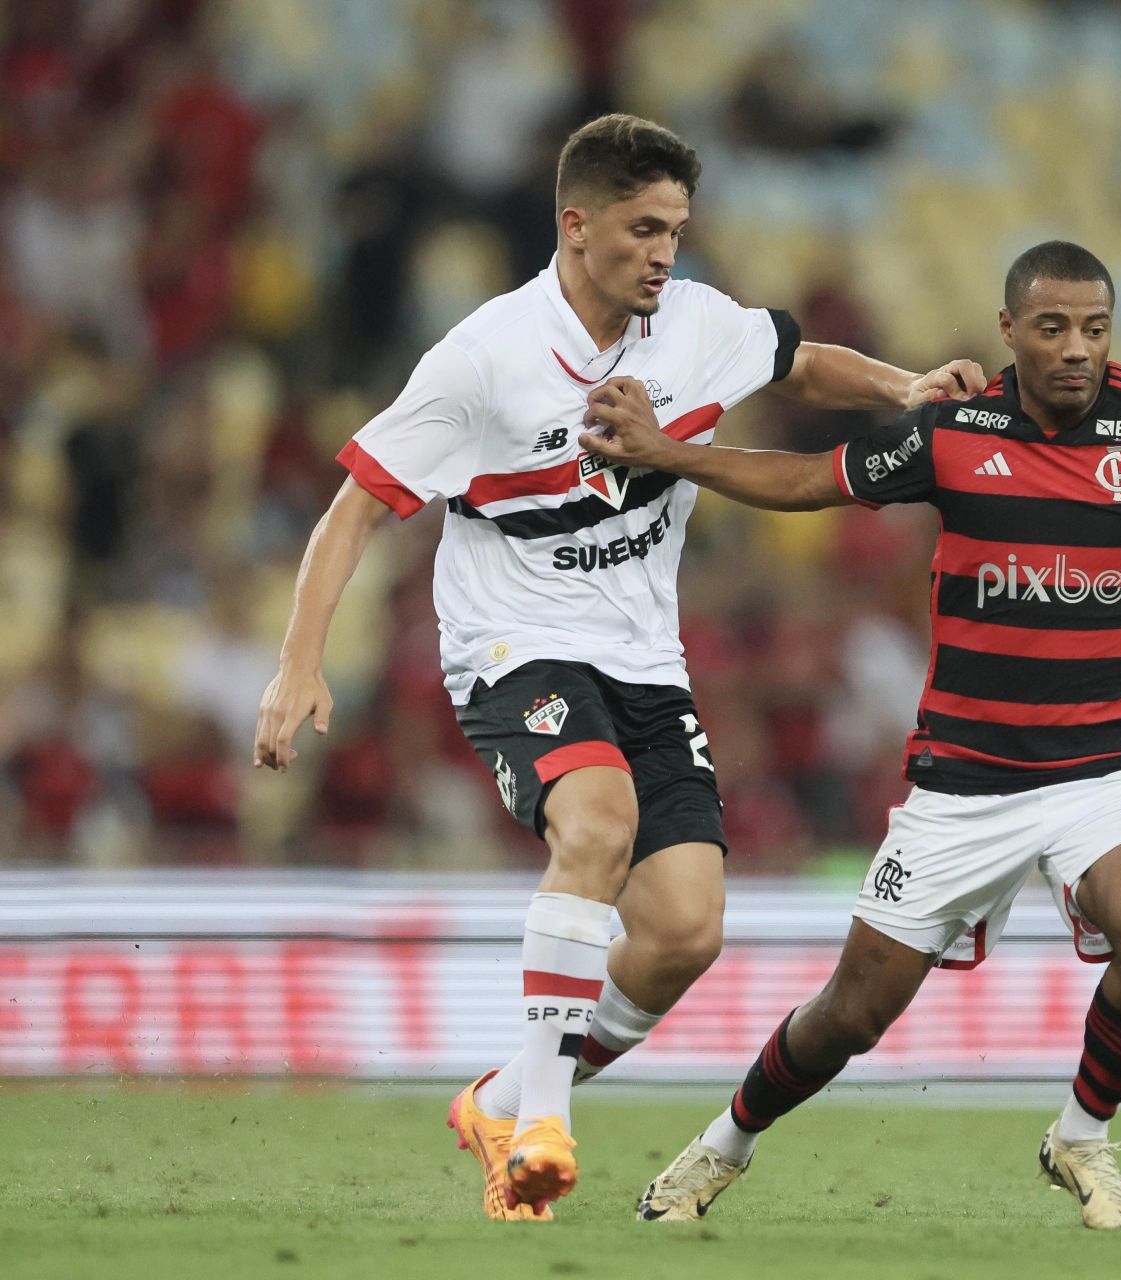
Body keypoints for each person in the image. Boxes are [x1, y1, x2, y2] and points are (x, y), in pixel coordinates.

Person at [574, 241, 1121, 1231]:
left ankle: (1082, 1134)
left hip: (1114, 765)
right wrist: (669, 452)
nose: (1076, 349)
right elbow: (808, 481)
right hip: (964, 782)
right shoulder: (951, 435)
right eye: (1052, 328)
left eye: (1094, 329)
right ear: (1009, 330)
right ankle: (721, 1145)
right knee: (853, 1011)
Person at [251, 114, 985, 1221]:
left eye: (677, 231)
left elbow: (796, 358)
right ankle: (543, 1121)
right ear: (576, 223)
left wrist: (904, 385)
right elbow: (356, 503)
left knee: (686, 930)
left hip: (645, 659)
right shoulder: (484, 357)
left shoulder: (691, 323)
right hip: (512, 645)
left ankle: (504, 1095)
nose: (664, 253)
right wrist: (298, 660)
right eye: (644, 230)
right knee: (595, 823)